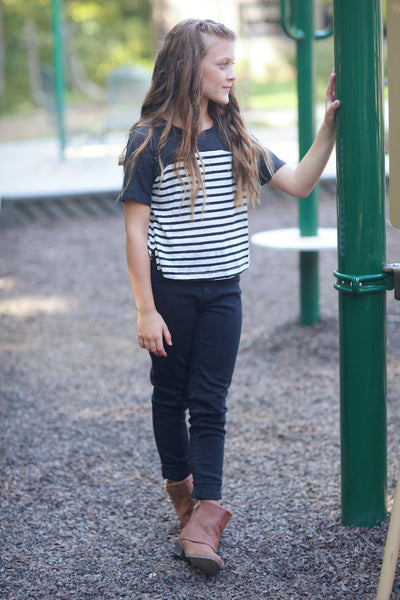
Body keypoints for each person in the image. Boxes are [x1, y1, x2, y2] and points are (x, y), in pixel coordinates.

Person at [119, 18, 340, 576]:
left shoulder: (236, 136)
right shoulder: (149, 140)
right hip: (170, 293)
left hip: (224, 294)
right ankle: (184, 498)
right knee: (171, 396)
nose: (232, 74)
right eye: (222, 64)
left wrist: (328, 128)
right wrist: (145, 308)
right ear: (189, 67)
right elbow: (135, 233)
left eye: (233, 64)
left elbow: (301, 182)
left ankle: (206, 518)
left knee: (210, 400)